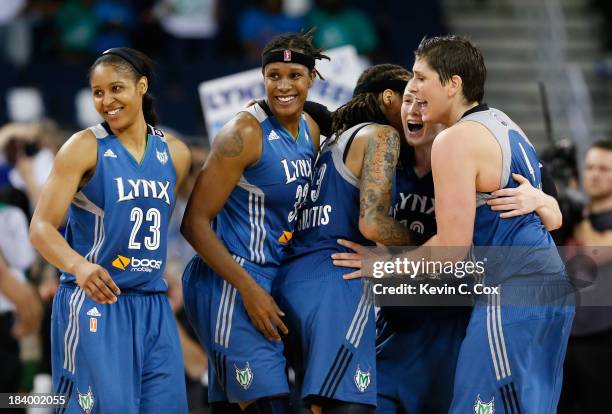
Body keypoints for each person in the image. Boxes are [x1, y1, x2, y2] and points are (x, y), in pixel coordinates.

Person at [335, 35, 574, 414]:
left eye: (420, 77)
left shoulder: (454, 140)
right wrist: (544, 201)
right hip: (547, 289)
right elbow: (550, 213)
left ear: (453, 84)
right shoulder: (507, 124)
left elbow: (452, 247)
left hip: (512, 291)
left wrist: (382, 265)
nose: (411, 88)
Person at [374, 87, 563, 414]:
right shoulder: (385, 170)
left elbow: (556, 217)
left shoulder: (477, 150)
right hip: (398, 322)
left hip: (461, 318)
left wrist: (542, 200)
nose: (415, 111)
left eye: (422, 103)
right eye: (408, 101)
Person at [29, 47, 191, 413]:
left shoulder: (175, 153)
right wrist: (79, 266)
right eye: (98, 92)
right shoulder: (84, 147)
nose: (106, 101)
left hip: (152, 304)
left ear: (141, 87)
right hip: (95, 302)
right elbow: (41, 227)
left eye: (116, 88)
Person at [180, 30, 327, 413]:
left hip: (272, 277)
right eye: (273, 75)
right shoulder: (242, 133)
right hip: (231, 279)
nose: (283, 85)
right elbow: (194, 222)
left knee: (243, 402)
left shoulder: (312, 130)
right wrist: (248, 289)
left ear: (311, 78)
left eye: (294, 76)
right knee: (269, 404)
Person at [274, 64, 413, 414]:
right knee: (351, 404)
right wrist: (426, 244)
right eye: (408, 99)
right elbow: (372, 223)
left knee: (313, 404)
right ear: (388, 97)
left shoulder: (328, 142)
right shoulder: (382, 135)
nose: (414, 110)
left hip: (291, 280)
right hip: (336, 279)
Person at [558, 140, 612, 413]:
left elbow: (596, 250)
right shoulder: (571, 213)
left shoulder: (580, 216)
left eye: (604, 168)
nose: (594, 174)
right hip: (566, 337)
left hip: (603, 341)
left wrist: (573, 206)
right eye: (590, 167)